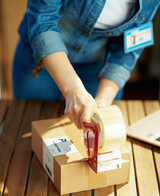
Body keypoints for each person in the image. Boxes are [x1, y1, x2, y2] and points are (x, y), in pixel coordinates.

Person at [13, 0, 160, 129]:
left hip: (98, 66)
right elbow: (43, 21)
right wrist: (73, 90)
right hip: (41, 60)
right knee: (29, 128)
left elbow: (134, 39)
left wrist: (103, 101)